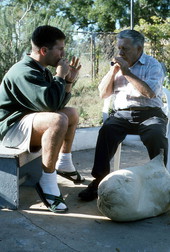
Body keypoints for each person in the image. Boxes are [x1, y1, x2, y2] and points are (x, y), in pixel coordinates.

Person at [0, 25, 85, 213]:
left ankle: (64, 162)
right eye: (60, 49)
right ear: (44, 50)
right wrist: (60, 76)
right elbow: (51, 106)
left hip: (27, 121)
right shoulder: (24, 71)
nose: (64, 54)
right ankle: (47, 182)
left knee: (71, 113)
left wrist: (68, 81)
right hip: (10, 129)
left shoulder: (41, 69)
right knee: (57, 120)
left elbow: (59, 104)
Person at [78, 29, 168, 201]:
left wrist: (127, 73)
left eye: (124, 49)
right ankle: (98, 180)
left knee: (156, 134)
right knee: (107, 131)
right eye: (118, 48)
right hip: (122, 115)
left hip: (150, 114)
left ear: (139, 49)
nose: (120, 53)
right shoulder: (117, 66)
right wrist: (113, 72)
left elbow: (150, 93)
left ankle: (160, 181)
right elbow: (103, 94)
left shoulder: (153, 65)